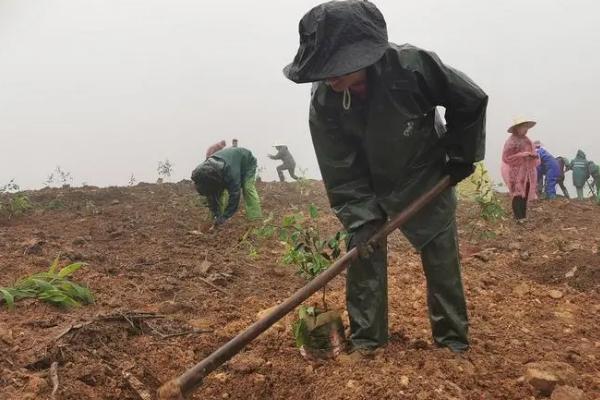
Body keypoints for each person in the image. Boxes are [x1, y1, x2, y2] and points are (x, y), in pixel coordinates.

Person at [284, 0, 488, 354]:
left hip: (424, 174)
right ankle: (368, 344)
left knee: (441, 258)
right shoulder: (324, 103)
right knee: (364, 251)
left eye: (338, 66)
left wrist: (461, 153)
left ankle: (452, 344)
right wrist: (361, 218)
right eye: (323, 68)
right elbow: (340, 173)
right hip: (366, 185)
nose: (330, 76)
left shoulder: (411, 67)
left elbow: (468, 100)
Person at [191, 147, 262, 225]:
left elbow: (235, 196)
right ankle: (215, 218)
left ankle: (256, 219)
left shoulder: (231, 174)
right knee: (217, 193)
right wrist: (216, 214)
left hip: (247, 163)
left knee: (247, 188)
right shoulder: (202, 171)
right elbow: (211, 194)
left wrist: (225, 216)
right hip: (227, 165)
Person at [501, 118, 539, 221]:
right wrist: (522, 155)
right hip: (515, 172)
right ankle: (518, 218)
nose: (526, 129)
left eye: (527, 127)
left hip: (527, 173)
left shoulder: (528, 141)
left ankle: (523, 216)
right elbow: (506, 157)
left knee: (525, 194)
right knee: (517, 195)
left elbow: (535, 154)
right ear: (517, 128)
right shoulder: (511, 141)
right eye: (524, 127)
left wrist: (533, 156)